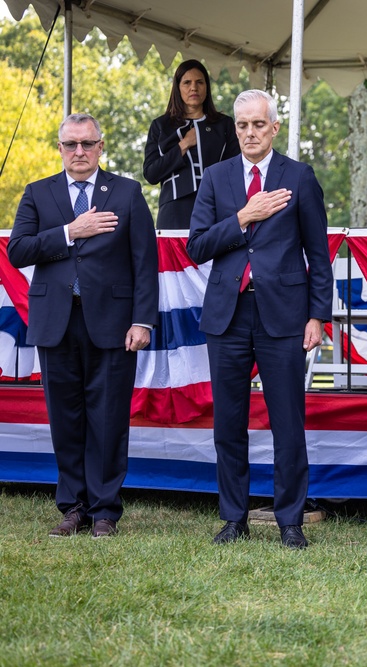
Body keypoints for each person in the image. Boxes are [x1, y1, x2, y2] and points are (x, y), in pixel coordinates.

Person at [187, 89, 333, 550]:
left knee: (287, 421)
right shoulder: (216, 178)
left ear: (273, 127)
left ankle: (291, 519)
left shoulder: (300, 176)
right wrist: (243, 217)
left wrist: (317, 315)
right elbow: (197, 246)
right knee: (228, 423)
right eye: (242, 125)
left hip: (284, 317)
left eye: (258, 124)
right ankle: (234, 517)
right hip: (227, 315)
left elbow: (318, 254)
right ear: (236, 129)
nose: (250, 132)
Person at [8, 113, 158, 538]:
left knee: (109, 418)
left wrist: (142, 320)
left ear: (101, 146)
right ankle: (73, 506)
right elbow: (18, 251)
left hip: (113, 323)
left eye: (87, 144)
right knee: (66, 417)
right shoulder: (38, 193)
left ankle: (105, 510)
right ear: (60, 148)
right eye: (71, 144)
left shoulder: (127, 193)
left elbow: (145, 263)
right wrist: (70, 231)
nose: (79, 152)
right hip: (56, 321)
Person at [143, 60, 239, 230]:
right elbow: (151, 173)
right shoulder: (161, 126)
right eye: (187, 82)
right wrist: (183, 145)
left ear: (206, 87)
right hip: (173, 212)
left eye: (199, 82)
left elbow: (235, 169)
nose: (193, 88)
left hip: (215, 208)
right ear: (178, 87)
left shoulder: (224, 124)